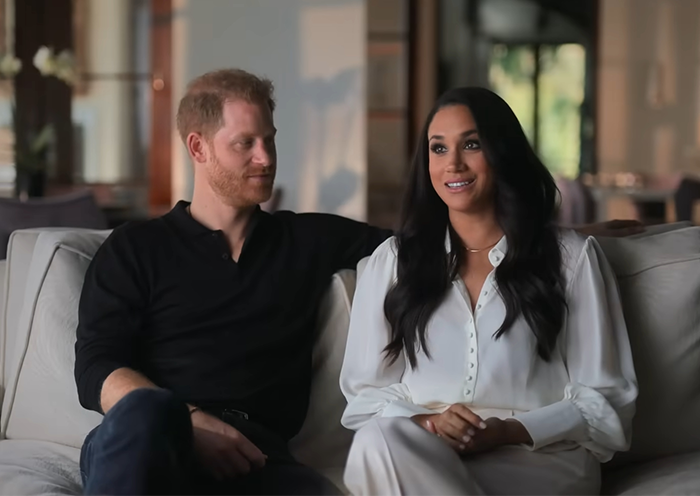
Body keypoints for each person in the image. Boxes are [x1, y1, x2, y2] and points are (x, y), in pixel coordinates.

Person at [74, 69, 638, 496]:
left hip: (258, 459)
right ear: (198, 148)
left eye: (269, 139)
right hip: (156, 440)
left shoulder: (309, 241)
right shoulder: (134, 247)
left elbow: (450, 225)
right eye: (244, 144)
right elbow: (97, 365)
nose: (266, 157)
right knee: (146, 414)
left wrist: (568, 231)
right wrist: (189, 421)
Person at [339, 87, 638, 496]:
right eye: (438, 148)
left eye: (472, 144)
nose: (454, 163)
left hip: (539, 460)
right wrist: (429, 423)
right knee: (375, 444)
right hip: (424, 456)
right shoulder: (393, 261)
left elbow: (607, 403)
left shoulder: (571, 258)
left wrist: (506, 431)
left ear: (502, 153)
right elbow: (364, 400)